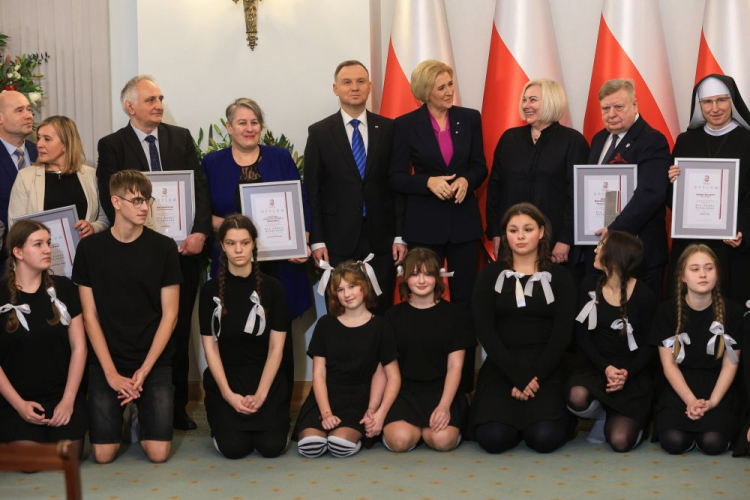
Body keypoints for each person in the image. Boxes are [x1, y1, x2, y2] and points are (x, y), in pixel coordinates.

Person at [97, 75, 211, 431]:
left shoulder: (181, 138)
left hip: (182, 253)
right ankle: (131, 401)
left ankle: (174, 406)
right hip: (135, 255)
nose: (159, 104)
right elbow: (108, 195)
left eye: (160, 98)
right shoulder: (112, 144)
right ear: (130, 106)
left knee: (174, 329)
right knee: (135, 324)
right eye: (150, 100)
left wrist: (200, 232)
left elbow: (200, 189)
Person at [73, 170, 182, 463]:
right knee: (103, 455)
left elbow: (170, 316)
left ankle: (138, 415)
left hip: (152, 361)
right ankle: (126, 412)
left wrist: (144, 371)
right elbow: (89, 316)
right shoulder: (90, 248)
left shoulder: (164, 247)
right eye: (136, 200)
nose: (144, 206)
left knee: (158, 454)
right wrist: (110, 373)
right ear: (116, 202)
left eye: (147, 200)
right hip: (107, 360)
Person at [469, 202, 576, 454]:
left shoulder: (560, 277)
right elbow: (484, 330)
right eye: (513, 230)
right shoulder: (490, 274)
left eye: (527, 229)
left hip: (545, 367)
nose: (520, 236)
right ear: (505, 234)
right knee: (493, 439)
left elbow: (563, 335)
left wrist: (533, 376)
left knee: (544, 438)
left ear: (541, 232)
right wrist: (516, 376)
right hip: (502, 365)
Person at [305, 60, 404, 315]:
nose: (354, 87)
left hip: (381, 237)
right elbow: (313, 190)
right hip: (337, 238)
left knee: (380, 309)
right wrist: (317, 240)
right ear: (335, 88)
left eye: (361, 81)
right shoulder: (319, 133)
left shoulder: (390, 129)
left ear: (370, 86)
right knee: (340, 310)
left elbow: (398, 186)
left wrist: (399, 235)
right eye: (347, 82)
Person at [389, 59, 487, 310]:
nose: (449, 91)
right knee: (424, 295)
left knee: (467, 297)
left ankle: (465, 349)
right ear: (425, 92)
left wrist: (467, 179)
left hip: (464, 224)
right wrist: (427, 182)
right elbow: (396, 176)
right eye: (441, 87)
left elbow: (480, 166)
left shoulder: (469, 118)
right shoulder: (405, 125)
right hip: (424, 225)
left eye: (450, 84)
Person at [199, 215, 290, 459]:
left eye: (245, 242)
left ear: (254, 244)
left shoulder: (274, 289)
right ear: (222, 246)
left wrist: (261, 394)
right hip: (227, 379)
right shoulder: (209, 291)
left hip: (265, 378)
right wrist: (228, 394)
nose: (238, 249)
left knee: (272, 447)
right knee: (234, 449)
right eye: (230, 243)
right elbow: (210, 348)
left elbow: (276, 349)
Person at [293, 261, 400, 458]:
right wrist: (325, 413)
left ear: (364, 287)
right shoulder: (325, 324)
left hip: (359, 399)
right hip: (325, 397)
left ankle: (350, 437)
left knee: (339, 445)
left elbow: (391, 376)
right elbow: (318, 373)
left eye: (352, 286)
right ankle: (325, 428)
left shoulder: (381, 327)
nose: (347, 294)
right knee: (310, 446)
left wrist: (376, 412)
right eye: (340, 289)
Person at [0, 220, 86, 455]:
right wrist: (19, 406)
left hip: (61, 395)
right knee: (30, 461)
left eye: (48, 243)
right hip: (17, 400)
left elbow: (79, 347)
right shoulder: (1, 295)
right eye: (38, 244)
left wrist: (68, 400)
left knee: (67, 456)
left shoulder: (64, 288)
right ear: (18, 252)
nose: (47, 249)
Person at [566, 230, 656, 451]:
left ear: (616, 256)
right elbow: (582, 338)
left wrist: (626, 373)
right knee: (576, 396)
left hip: (632, 375)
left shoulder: (644, 294)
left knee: (620, 441)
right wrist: (606, 368)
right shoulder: (588, 285)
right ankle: (602, 415)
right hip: (597, 369)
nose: (595, 250)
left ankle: (636, 422)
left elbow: (651, 346)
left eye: (601, 246)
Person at [650, 244, 743, 455]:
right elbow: (669, 365)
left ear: (717, 274)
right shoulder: (666, 311)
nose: (703, 274)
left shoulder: (733, 312)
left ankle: (706, 429)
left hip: (717, 386)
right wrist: (691, 401)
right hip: (679, 387)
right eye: (695, 269)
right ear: (682, 275)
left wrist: (712, 402)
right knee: (674, 442)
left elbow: (731, 363)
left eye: (709, 268)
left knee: (713, 443)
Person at [485, 78, 589, 265]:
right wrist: (495, 232)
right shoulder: (509, 139)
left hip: (555, 244)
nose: (526, 105)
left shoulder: (573, 142)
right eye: (524, 100)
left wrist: (566, 239)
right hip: (512, 242)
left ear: (551, 101)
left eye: (533, 100)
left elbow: (578, 197)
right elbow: (495, 189)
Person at [667, 74, 750, 305]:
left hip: (732, 244)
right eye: (707, 102)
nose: (715, 108)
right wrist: (672, 181)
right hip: (692, 244)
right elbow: (673, 198)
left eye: (721, 100)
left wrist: (741, 228)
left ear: (732, 102)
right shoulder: (685, 141)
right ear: (699, 106)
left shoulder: (747, 141)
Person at [382, 248, 474, 452]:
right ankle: (414, 430)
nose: (421, 280)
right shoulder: (392, 317)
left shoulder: (456, 315)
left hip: (443, 391)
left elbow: (455, 366)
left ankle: (430, 430)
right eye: (414, 274)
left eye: (428, 274)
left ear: (437, 278)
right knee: (400, 441)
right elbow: (389, 370)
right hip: (405, 393)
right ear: (405, 279)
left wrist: (444, 406)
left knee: (442, 441)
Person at [587, 78, 672, 299]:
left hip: (639, 253)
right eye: (605, 108)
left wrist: (614, 229)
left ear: (635, 105)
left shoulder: (652, 140)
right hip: (604, 254)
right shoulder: (599, 139)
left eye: (619, 107)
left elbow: (651, 194)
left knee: (641, 321)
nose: (611, 113)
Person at [8, 116, 109, 237]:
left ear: (66, 144)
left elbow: (104, 218)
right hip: (40, 254)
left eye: (47, 139)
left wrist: (93, 227)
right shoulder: (25, 177)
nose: (39, 144)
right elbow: (15, 226)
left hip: (85, 252)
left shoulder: (91, 175)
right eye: (39, 138)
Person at [0, 91, 37, 269]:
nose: (29, 115)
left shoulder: (42, 152)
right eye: (19, 110)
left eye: (29, 110)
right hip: (5, 262)